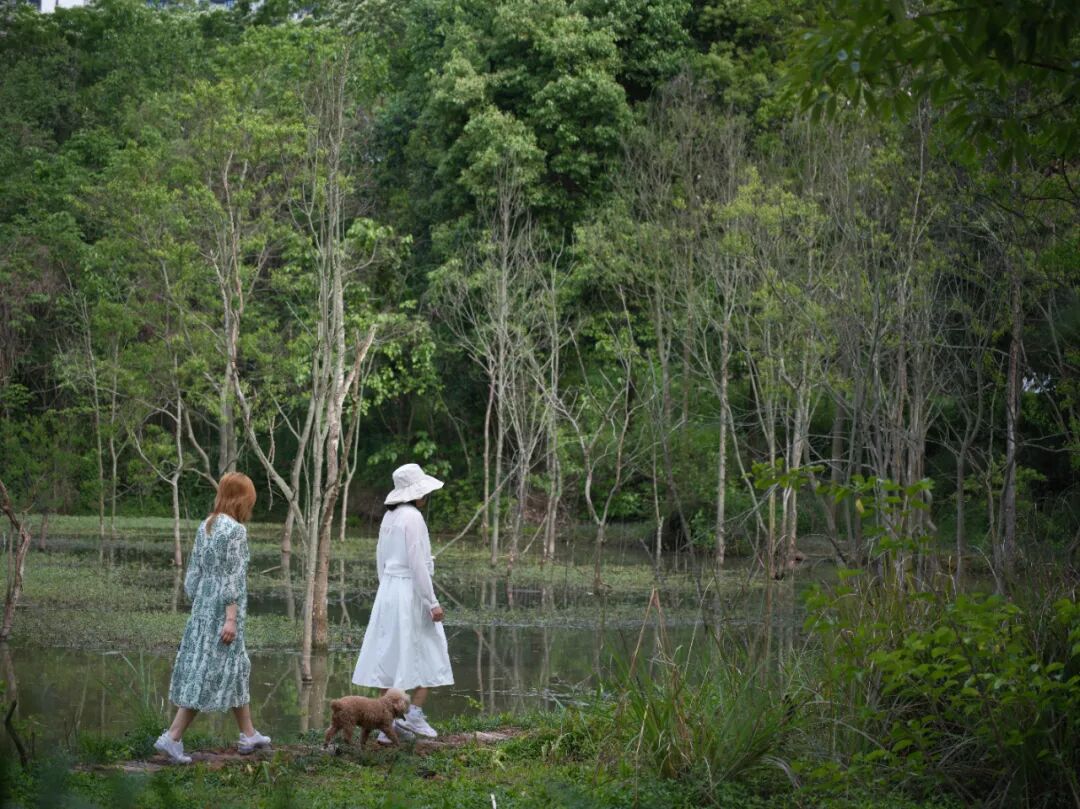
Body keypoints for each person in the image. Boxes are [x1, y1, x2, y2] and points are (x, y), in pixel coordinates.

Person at [154, 472, 270, 764]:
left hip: (204, 607)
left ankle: (248, 734)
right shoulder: (235, 531)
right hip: (224, 611)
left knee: (237, 666)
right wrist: (230, 618)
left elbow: (193, 575)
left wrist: (202, 605)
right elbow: (232, 577)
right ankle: (173, 737)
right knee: (207, 672)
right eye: (249, 500)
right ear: (241, 499)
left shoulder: (206, 524)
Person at [352, 463, 454, 740]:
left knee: (389, 655)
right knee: (428, 652)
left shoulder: (390, 517)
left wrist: (386, 585)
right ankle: (413, 716)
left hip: (388, 590)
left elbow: (380, 558)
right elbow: (418, 564)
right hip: (409, 590)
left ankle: (389, 723)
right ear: (416, 493)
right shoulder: (413, 518)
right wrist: (431, 602)